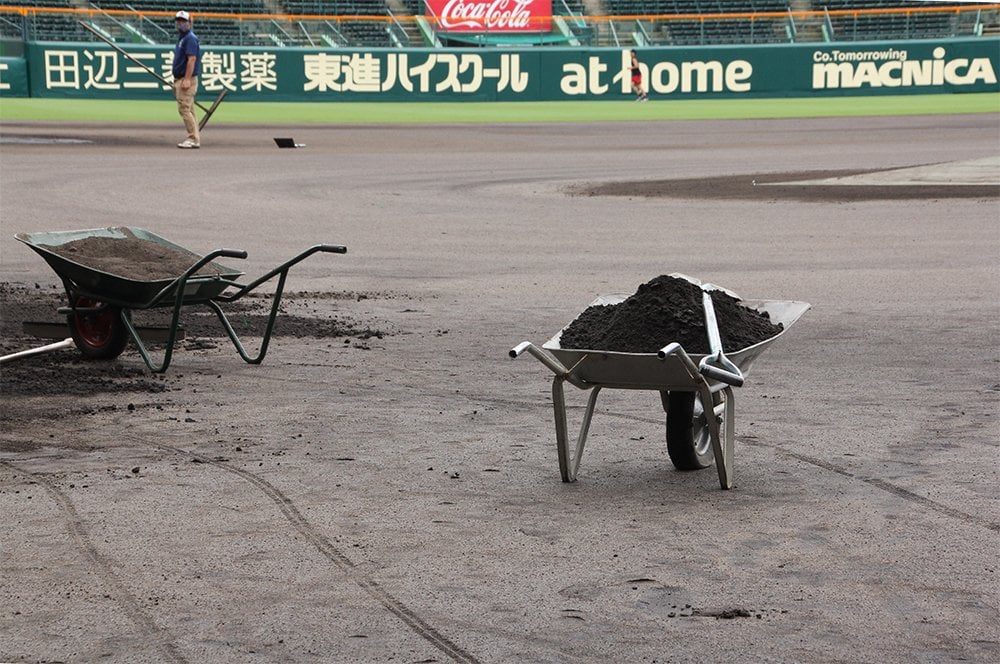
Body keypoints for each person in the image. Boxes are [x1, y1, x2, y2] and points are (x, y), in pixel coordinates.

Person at [173, 10, 201, 148]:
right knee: (189, 109)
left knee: (184, 109)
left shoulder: (189, 38)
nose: (180, 23)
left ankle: (193, 138)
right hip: (181, 78)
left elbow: (192, 59)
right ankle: (195, 137)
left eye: (183, 21)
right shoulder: (183, 37)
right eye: (178, 21)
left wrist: (187, 79)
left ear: (190, 23)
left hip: (186, 79)